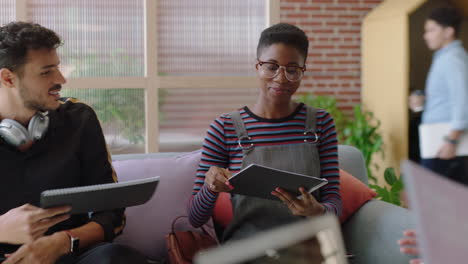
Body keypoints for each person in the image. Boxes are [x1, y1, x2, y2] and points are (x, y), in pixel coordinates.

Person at [0, 22, 147, 264]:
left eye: (57, 68)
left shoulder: (79, 119)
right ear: (8, 78)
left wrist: (63, 241)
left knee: (116, 257)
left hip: (69, 255)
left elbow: (112, 213)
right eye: (46, 72)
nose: (61, 79)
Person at [188, 23, 341, 242]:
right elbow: (195, 218)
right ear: (257, 66)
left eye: (292, 70)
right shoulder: (224, 128)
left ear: (302, 71)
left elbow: (334, 202)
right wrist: (210, 187)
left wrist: (317, 211)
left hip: (308, 248)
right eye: (271, 66)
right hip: (249, 250)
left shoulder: (321, 123)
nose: (280, 78)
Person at [417, 6, 468, 184]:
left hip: (445, 144)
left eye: (431, 30)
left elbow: (463, 102)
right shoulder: (444, 57)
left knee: (439, 203)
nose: (426, 35)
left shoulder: (453, 59)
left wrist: (451, 142)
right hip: (439, 142)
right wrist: (424, 99)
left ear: (448, 31)